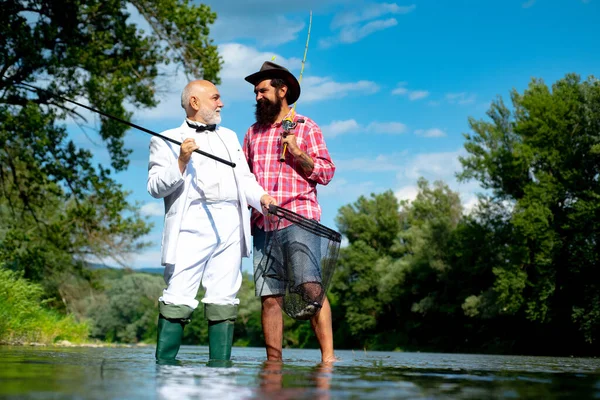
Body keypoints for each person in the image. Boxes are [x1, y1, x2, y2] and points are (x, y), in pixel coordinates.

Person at [147, 80, 276, 364]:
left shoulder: (230, 137)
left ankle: (221, 373)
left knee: (224, 295)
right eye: (216, 98)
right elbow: (155, 187)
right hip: (190, 224)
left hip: (231, 221)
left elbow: (244, 179)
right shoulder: (165, 138)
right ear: (195, 102)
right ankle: (166, 372)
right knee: (179, 291)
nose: (221, 103)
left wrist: (263, 198)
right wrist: (181, 160)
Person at [242, 61, 337, 362]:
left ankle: (328, 359)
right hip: (263, 224)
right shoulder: (252, 134)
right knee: (270, 297)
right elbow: (244, 181)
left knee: (310, 289)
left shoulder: (307, 127)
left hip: (300, 220)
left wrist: (297, 152)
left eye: (263, 90)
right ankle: (273, 364)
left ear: (283, 90)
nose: (257, 96)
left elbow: (326, 172)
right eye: (255, 92)